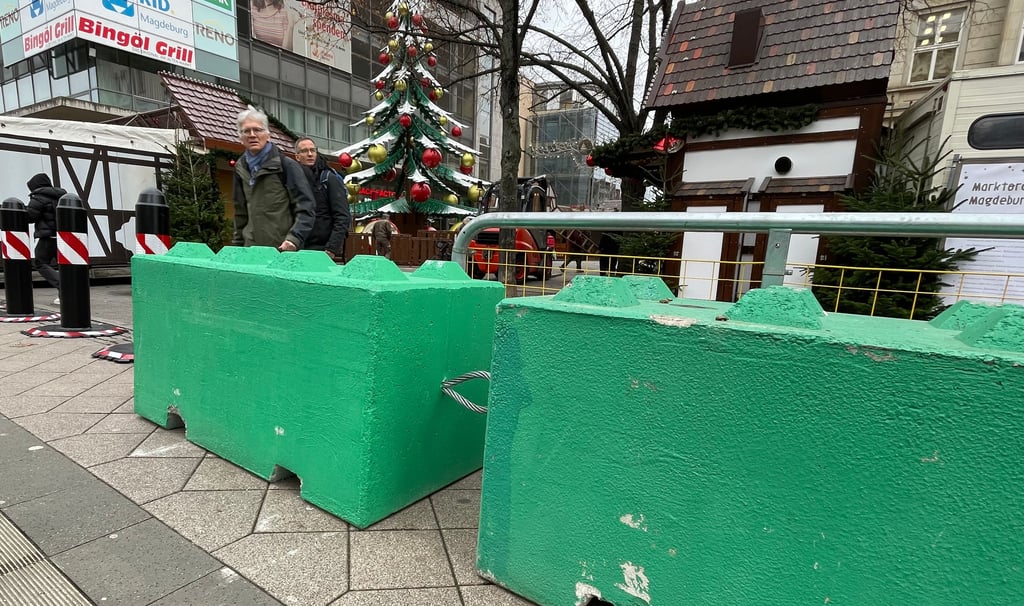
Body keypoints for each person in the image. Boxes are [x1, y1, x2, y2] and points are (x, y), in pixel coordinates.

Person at [232, 106, 315, 251]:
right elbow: (240, 213)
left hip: (282, 250)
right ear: (241, 138)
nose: (252, 135)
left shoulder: (286, 166)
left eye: (257, 130)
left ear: (268, 135)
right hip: (251, 251)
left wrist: (294, 239)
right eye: (246, 131)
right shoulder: (240, 169)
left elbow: (306, 208)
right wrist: (237, 247)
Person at [294, 137, 351, 262]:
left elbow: (342, 216)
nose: (309, 154)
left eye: (312, 150)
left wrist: (331, 249)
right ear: (297, 157)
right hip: (296, 248)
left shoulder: (328, 178)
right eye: (304, 151)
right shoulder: (294, 180)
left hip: (321, 250)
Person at [25, 173, 65, 304]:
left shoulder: (38, 198)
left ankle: (63, 285)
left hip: (47, 237)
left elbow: (31, 217)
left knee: (40, 262)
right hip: (63, 238)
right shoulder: (61, 196)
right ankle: (64, 294)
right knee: (64, 265)